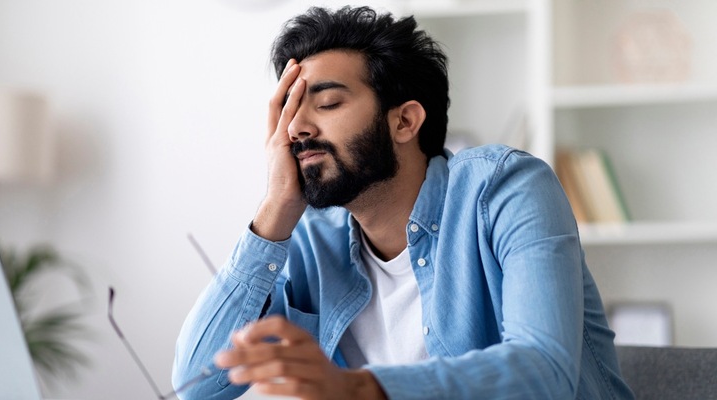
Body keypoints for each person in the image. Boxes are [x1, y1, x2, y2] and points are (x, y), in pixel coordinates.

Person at [173, 5, 634, 400]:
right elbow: (198, 385)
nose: (295, 129)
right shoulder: (311, 237)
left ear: (405, 121)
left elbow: (544, 373)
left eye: (327, 103)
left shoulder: (505, 188)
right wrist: (274, 209)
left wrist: (357, 388)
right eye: (290, 112)